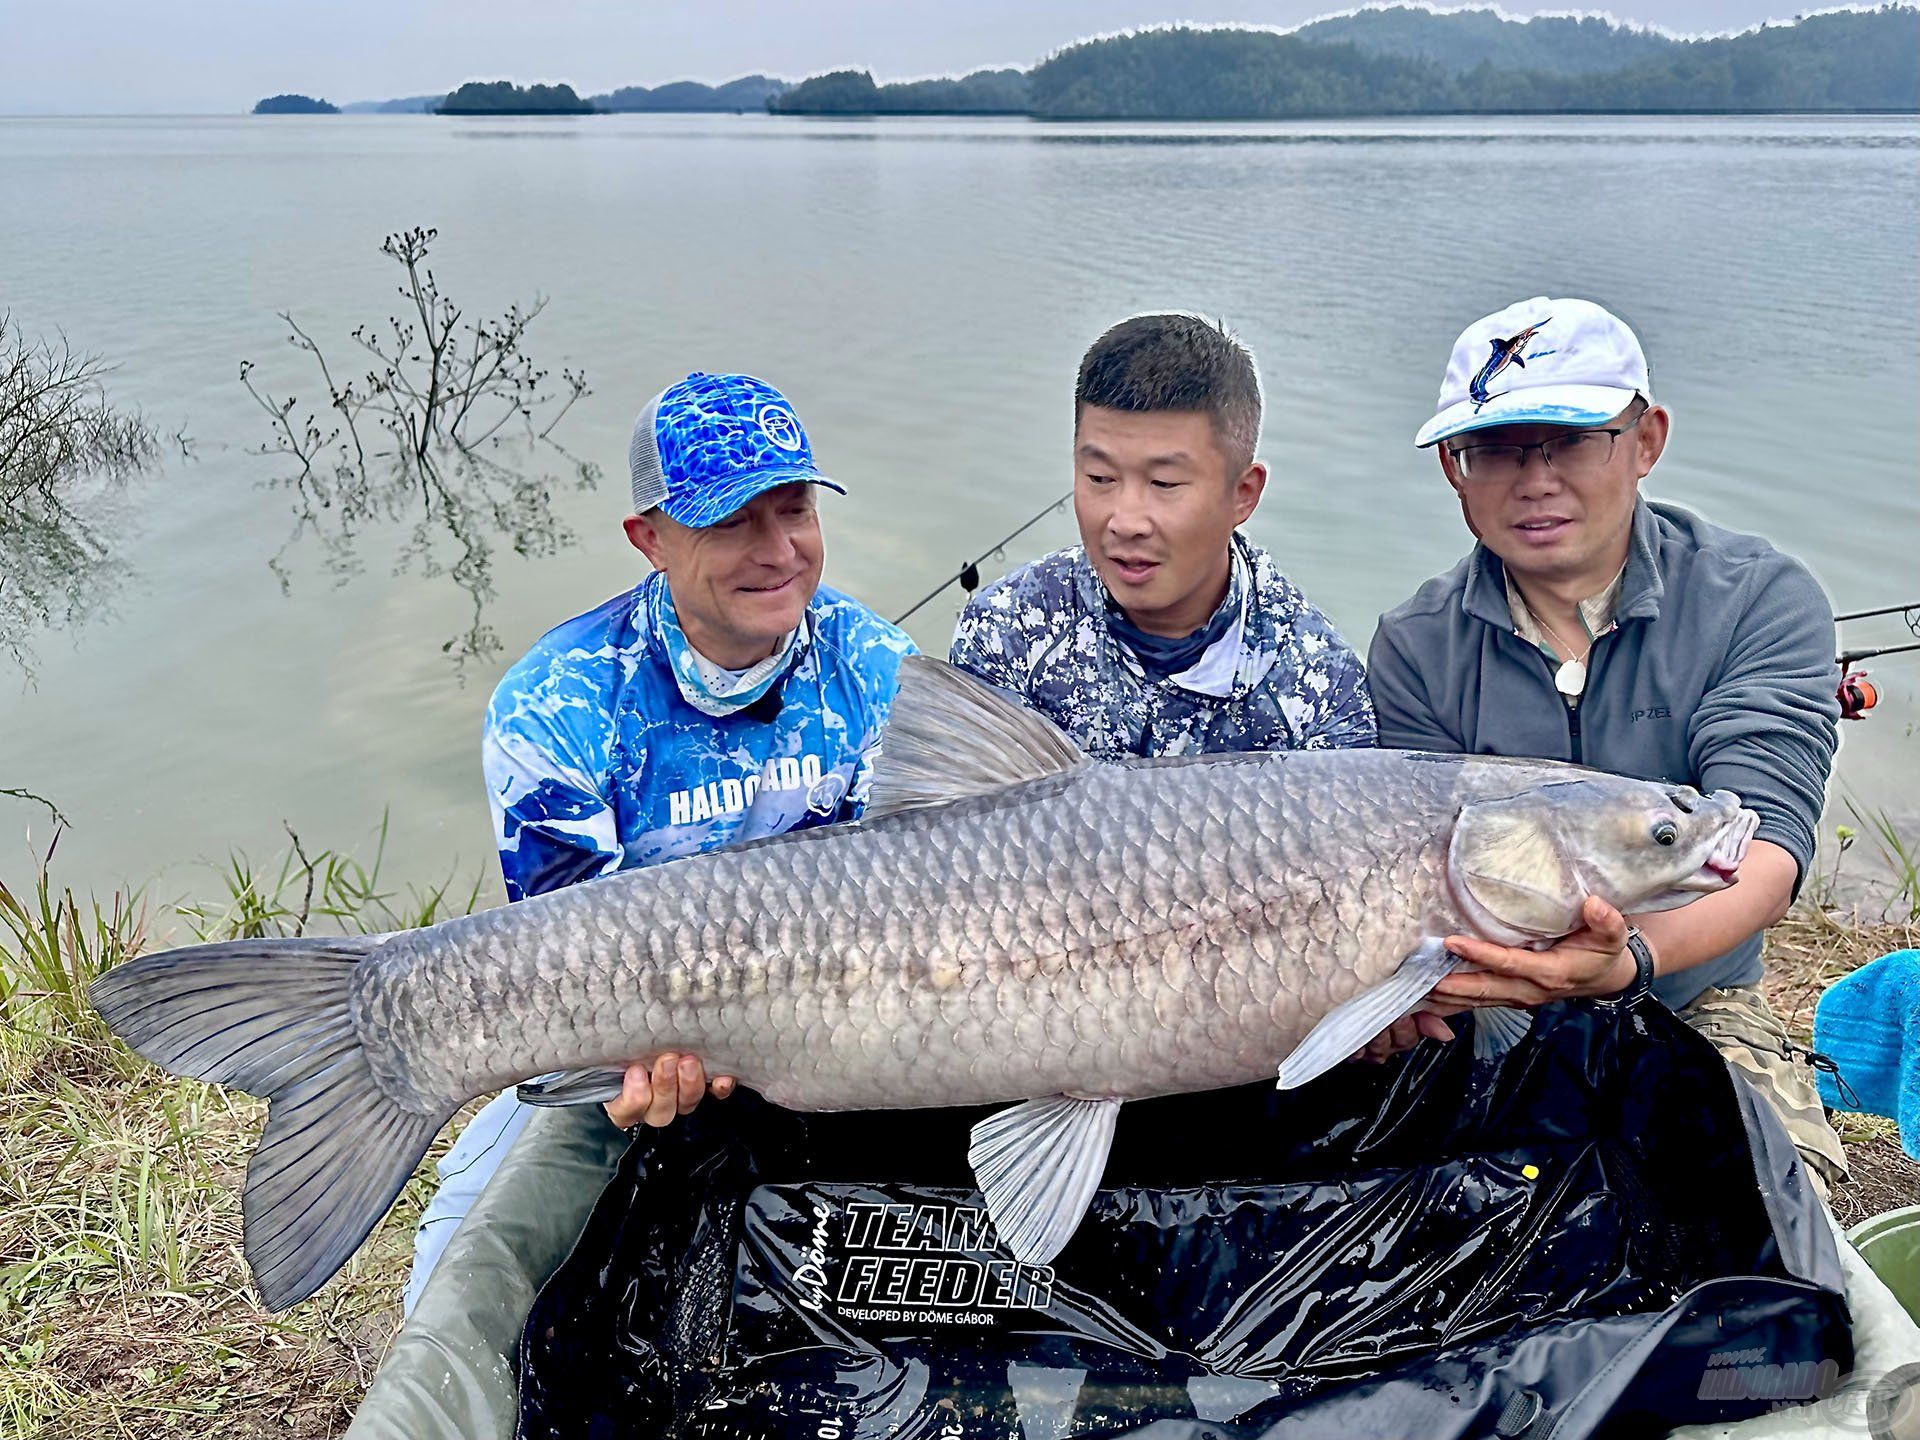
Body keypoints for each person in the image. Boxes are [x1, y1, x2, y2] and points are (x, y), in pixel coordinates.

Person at [399, 370, 915, 1313]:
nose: (779, 550)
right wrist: (629, 1062)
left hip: (848, 1036)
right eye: (730, 522)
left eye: (793, 508)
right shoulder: (555, 702)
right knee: (461, 1274)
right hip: (640, 1045)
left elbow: (936, 900)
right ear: (650, 538)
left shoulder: (882, 671)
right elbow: (559, 962)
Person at [1365, 296, 1850, 1195]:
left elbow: (1768, 850)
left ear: (1646, 440)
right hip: (1483, 1013)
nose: (1535, 480)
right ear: (1452, 470)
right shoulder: (1415, 644)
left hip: (1693, 999)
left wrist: (1631, 963)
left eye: (1571, 440)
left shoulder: (1759, 599)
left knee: (1773, 1226)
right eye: (1497, 450)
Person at [949, 312, 1374, 756]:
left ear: (1243, 494)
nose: (1126, 522)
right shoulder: (1006, 628)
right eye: (1099, 477)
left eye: (1164, 483)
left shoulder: (1322, 692)